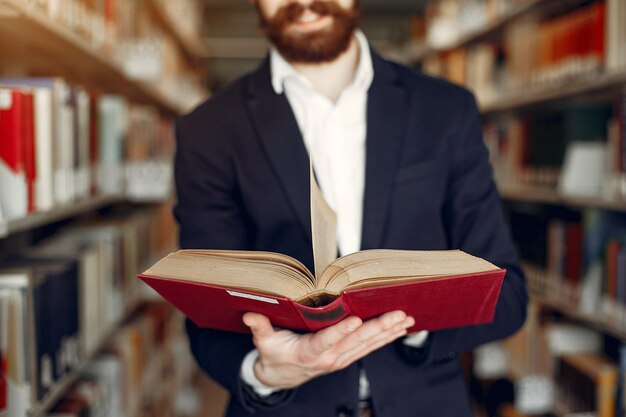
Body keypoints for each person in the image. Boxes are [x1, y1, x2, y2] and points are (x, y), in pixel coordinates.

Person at [173, 0, 528, 416]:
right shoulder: (207, 130)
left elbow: (507, 293)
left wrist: (411, 322)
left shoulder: (447, 110)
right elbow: (206, 309)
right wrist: (264, 372)